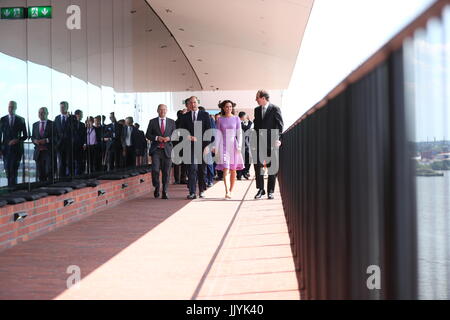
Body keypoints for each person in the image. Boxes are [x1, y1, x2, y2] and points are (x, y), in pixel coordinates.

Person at [253, 90, 283, 200]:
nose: (256, 100)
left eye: (257, 98)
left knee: (272, 167)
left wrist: (279, 139)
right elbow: (256, 126)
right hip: (259, 142)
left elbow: (280, 125)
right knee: (258, 167)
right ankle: (261, 189)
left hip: (272, 142)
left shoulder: (275, 109)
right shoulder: (256, 110)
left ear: (263, 98)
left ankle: (271, 191)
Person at [180, 96, 211, 199]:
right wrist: (187, 136)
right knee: (192, 168)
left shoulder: (205, 115)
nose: (193, 104)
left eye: (194, 102)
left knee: (202, 170)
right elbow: (181, 131)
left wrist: (207, 146)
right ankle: (192, 192)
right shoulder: (185, 116)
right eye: (191, 103)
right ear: (188, 104)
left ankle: (201, 190)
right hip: (190, 147)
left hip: (202, 146)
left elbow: (209, 131)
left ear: (198, 103)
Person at [214, 100, 244, 199]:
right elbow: (218, 134)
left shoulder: (236, 119)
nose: (229, 108)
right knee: (225, 169)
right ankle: (227, 191)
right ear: (223, 108)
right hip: (223, 145)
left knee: (233, 169)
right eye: (227, 106)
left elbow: (239, 133)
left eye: (230, 106)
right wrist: (216, 146)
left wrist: (239, 145)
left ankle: (231, 190)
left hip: (234, 145)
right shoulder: (220, 120)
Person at [146, 104, 176, 199]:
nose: (162, 111)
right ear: (157, 110)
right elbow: (148, 135)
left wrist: (169, 138)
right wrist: (156, 138)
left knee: (166, 172)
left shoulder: (172, 122)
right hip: (156, 150)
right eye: (161, 109)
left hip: (167, 150)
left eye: (164, 109)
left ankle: (165, 191)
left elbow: (175, 135)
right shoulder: (152, 122)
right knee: (155, 170)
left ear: (166, 110)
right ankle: (157, 186)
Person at [0, 101, 28, 186]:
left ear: (16, 108)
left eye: (12, 107)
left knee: (14, 171)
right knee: (8, 171)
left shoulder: (21, 119)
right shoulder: (2, 119)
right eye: (9, 107)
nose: (10, 108)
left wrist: (17, 139)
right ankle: (9, 189)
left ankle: (13, 190)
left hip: (17, 150)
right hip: (6, 150)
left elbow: (25, 136)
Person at [31, 107, 54, 182]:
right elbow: (32, 137)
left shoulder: (52, 124)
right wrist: (35, 141)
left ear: (47, 113)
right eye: (39, 112)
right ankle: (41, 188)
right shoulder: (34, 125)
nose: (41, 114)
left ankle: (50, 189)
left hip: (48, 152)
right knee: (40, 173)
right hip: (38, 152)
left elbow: (56, 137)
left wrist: (46, 140)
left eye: (43, 112)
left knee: (49, 171)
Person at [54, 101, 73, 178]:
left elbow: (73, 129)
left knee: (69, 162)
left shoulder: (72, 117)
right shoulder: (57, 118)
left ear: (67, 108)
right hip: (59, 144)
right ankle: (61, 179)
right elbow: (55, 131)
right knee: (61, 163)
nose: (62, 108)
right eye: (61, 107)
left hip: (69, 144)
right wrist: (56, 142)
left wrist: (68, 118)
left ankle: (70, 179)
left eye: (63, 107)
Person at [237, 111, 252, 180]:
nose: (246, 117)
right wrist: (249, 122)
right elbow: (246, 128)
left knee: (248, 158)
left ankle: (245, 172)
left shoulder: (247, 123)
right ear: (243, 117)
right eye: (245, 116)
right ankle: (239, 174)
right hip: (240, 143)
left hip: (247, 143)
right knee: (240, 159)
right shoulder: (238, 123)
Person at [173, 110, 187, 184]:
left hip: (176, 145)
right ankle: (183, 178)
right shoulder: (185, 123)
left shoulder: (174, 123)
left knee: (177, 164)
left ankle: (177, 179)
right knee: (184, 163)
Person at [73, 109, 86, 176]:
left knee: (79, 162)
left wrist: (84, 143)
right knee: (73, 162)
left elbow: (84, 135)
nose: (82, 116)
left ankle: (79, 175)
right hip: (73, 146)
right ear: (77, 115)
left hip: (80, 146)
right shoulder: (71, 124)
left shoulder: (82, 124)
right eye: (81, 115)